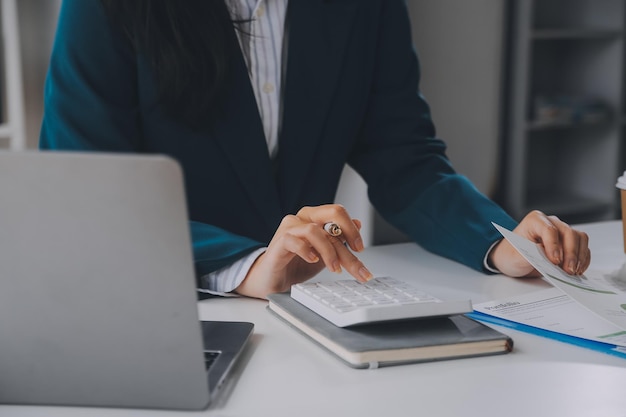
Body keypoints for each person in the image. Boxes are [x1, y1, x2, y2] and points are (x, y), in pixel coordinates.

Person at [40, 0, 590, 300]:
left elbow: (406, 159)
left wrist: (499, 244)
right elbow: (84, 191)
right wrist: (247, 264)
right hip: (155, 302)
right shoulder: (103, 7)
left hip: (307, 309)